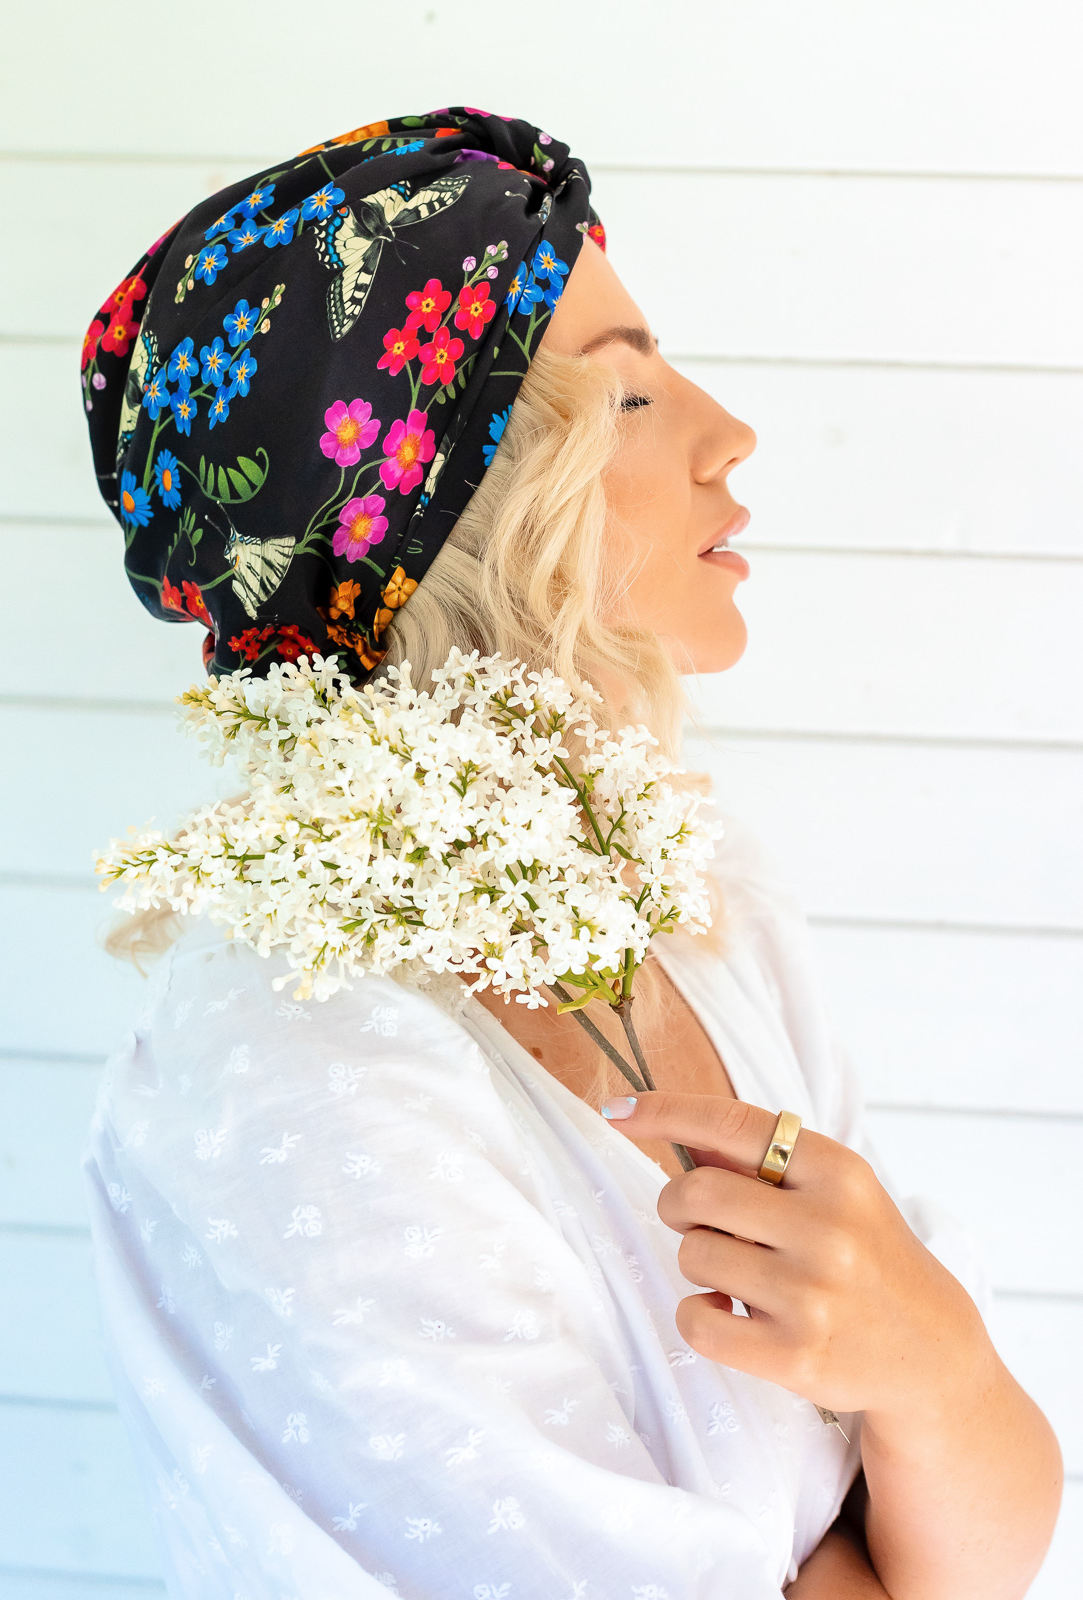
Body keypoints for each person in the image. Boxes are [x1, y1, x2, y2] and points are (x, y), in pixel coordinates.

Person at [80, 109, 1062, 1598]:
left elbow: (991, 1530)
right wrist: (905, 1462)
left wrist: (938, 1370)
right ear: (448, 507)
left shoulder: (698, 909)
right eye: (628, 396)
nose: (729, 435)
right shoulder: (302, 1060)